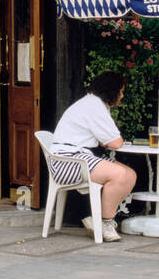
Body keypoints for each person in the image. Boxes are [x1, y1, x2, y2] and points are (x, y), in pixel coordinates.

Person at [50, 72, 137, 242]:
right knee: (119, 175)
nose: (122, 96)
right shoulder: (95, 107)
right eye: (121, 91)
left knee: (130, 174)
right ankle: (105, 223)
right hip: (68, 162)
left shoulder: (92, 103)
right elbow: (116, 143)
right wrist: (111, 140)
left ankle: (99, 220)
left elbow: (107, 140)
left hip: (74, 158)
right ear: (112, 91)